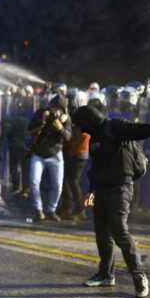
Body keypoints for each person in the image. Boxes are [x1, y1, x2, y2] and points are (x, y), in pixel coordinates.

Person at [73, 105, 150, 298]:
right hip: (102, 190)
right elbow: (98, 167)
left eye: (79, 123)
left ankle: (138, 275)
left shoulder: (114, 127)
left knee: (119, 231)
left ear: (87, 121)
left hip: (120, 188)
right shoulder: (95, 137)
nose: (78, 128)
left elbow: (140, 130)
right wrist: (92, 191)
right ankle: (106, 275)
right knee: (102, 232)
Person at [27, 95, 72, 222]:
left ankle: (51, 210)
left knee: (57, 185)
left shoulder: (66, 118)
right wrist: (42, 121)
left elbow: (69, 137)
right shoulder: (41, 113)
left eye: (59, 108)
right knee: (33, 181)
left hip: (56, 153)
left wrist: (61, 128)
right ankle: (38, 209)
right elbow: (29, 129)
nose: (56, 111)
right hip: (39, 152)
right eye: (54, 107)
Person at [59, 90, 90, 221]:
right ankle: (65, 208)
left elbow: (82, 136)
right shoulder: (76, 114)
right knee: (65, 181)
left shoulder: (84, 116)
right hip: (72, 152)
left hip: (78, 154)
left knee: (73, 181)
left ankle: (80, 210)